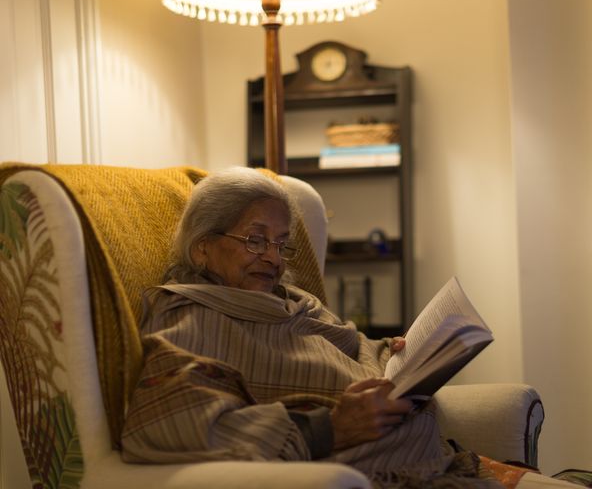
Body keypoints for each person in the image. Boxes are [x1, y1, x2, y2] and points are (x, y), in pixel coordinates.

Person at [121, 167, 499, 487]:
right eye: (255, 240)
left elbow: (351, 348)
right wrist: (330, 428)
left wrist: (397, 352)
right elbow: (168, 421)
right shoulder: (189, 314)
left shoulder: (295, 303)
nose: (273, 258)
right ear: (202, 246)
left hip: (433, 464)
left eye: (281, 244)